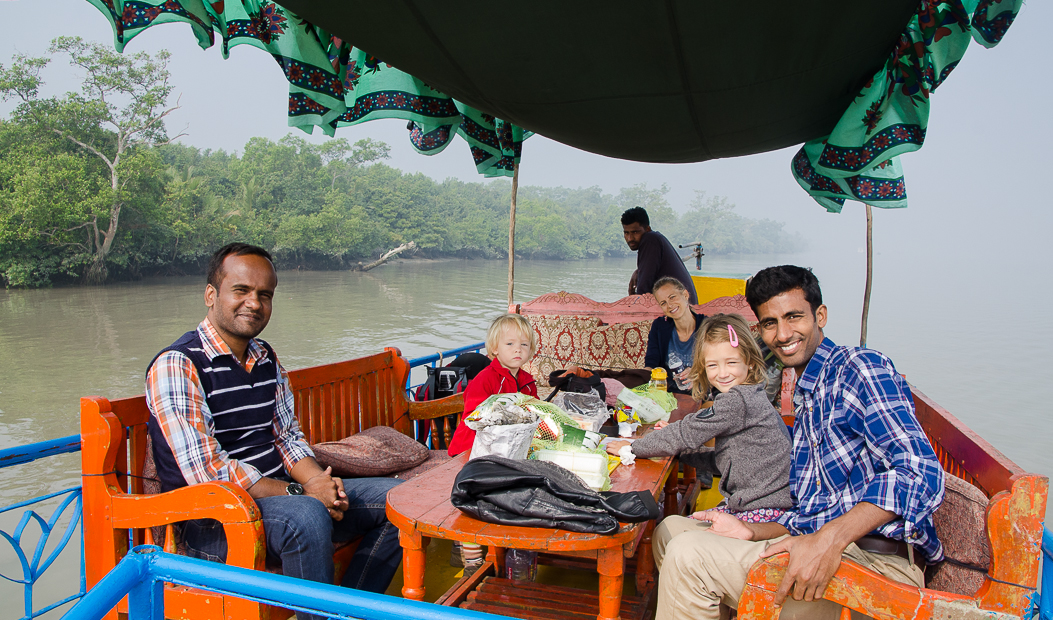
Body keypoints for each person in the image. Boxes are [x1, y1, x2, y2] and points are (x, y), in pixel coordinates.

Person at [651, 265, 945, 620]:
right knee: (670, 530)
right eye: (771, 323)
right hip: (814, 542)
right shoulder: (807, 394)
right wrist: (751, 530)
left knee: (688, 556)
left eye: (794, 317)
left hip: (873, 566)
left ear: (820, 316)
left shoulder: (858, 368)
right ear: (760, 330)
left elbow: (920, 472)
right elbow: (811, 512)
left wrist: (829, 540)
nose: (784, 333)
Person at [145, 243, 402, 620]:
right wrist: (304, 491)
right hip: (213, 520)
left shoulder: (266, 358)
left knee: (398, 500)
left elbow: (287, 438)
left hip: (278, 500)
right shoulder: (178, 365)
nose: (254, 303)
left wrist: (319, 482)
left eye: (264, 295)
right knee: (307, 516)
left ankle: (345, 611)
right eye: (241, 291)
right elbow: (210, 474)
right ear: (211, 295)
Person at [609, 313, 792, 522]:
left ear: (749, 362)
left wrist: (631, 447)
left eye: (731, 362)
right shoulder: (751, 394)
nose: (722, 374)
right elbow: (727, 459)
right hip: (763, 503)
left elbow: (684, 433)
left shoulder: (737, 401)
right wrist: (680, 452)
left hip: (762, 510)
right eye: (713, 365)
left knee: (667, 528)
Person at [447, 313, 539, 456]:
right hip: (470, 448)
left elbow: (535, 412)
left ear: (531, 349)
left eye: (524, 344)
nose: (518, 349)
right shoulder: (485, 379)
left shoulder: (528, 382)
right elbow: (473, 417)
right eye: (510, 343)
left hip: (506, 447)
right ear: (495, 348)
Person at [622, 206, 698, 304]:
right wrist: (638, 272)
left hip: (681, 310)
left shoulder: (650, 239)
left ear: (647, 229)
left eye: (635, 232)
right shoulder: (657, 239)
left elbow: (643, 290)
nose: (630, 238)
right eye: (626, 233)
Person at [644, 277, 706, 394]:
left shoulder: (707, 326)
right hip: (668, 395)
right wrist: (640, 377)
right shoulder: (659, 327)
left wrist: (699, 372)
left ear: (685, 295)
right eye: (663, 303)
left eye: (672, 297)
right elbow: (651, 363)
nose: (670, 305)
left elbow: (719, 365)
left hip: (701, 395)